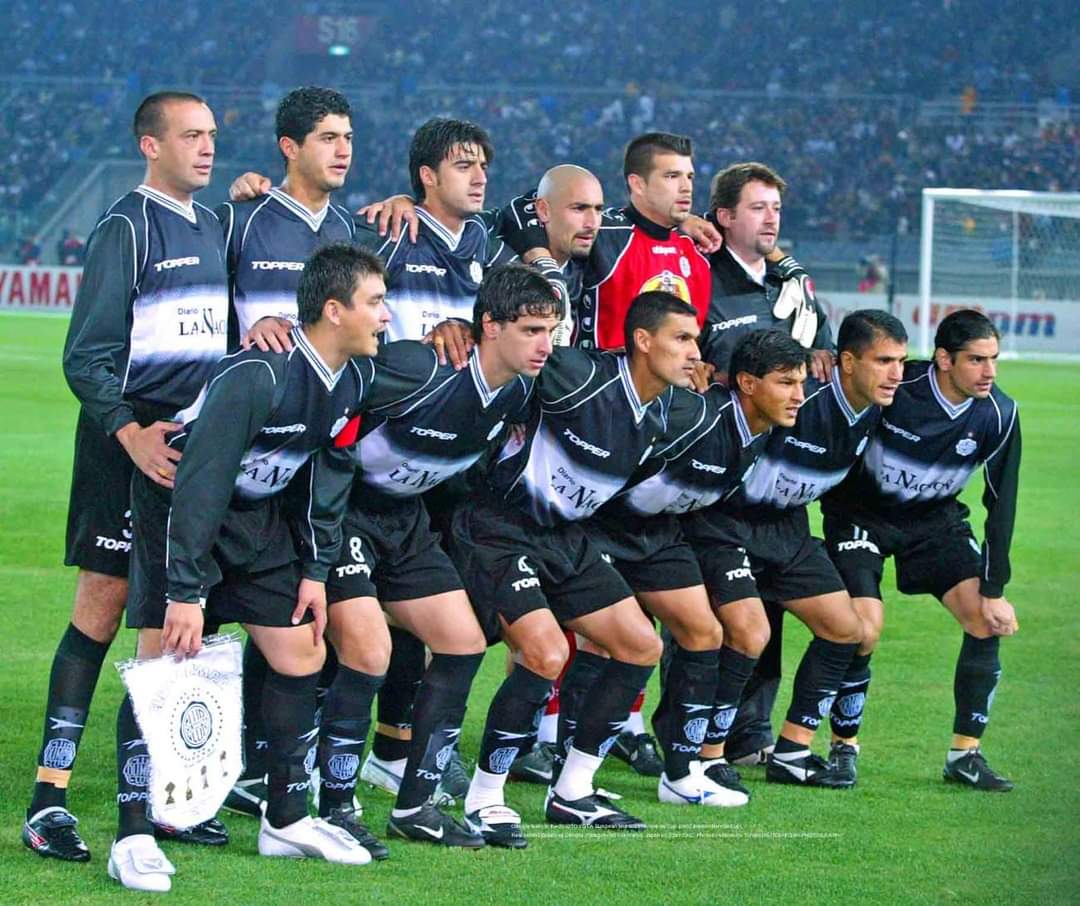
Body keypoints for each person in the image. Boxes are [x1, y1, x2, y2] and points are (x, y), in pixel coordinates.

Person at [109, 243, 390, 892]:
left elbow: (328, 475)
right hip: (181, 514)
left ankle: (286, 819)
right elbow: (200, 485)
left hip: (257, 524)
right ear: (333, 310)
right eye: (374, 302)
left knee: (300, 653)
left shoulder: (351, 379)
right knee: (164, 665)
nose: (385, 315)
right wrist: (185, 593)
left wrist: (316, 571)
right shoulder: (256, 376)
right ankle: (132, 835)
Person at [23, 91, 230, 863]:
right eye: (190, 135)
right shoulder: (126, 225)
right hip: (127, 444)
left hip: (190, 454)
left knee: (183, 623)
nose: (206, 148)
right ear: (150, 145)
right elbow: (86, 353)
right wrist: (129, 430)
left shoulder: (211, 224)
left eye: (212, 135)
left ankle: (170, 797)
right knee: (103, 609)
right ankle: (50, 801)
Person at [320, 264, 563, 849]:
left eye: (550, 330)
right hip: (345, 515)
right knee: (370, 650)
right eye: (530, 330)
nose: (544, 345)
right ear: (489, 326)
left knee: (462, 642)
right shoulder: (419, 367)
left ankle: (416, 805)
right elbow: (326, 384)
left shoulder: (522, 389)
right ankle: (335, 805)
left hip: (406, 525)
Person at [448, 291, 701, 844]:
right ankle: (484, 798)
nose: (693, 352)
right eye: (681, 339)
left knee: (641, 644)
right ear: (642, 340)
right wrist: (456, 330)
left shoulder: (664, 412)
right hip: (499, 527)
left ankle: (573, 793)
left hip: (566, 538)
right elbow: (510, 357)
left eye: (695, 340)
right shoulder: (580, 374)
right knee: (545, 652)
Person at [213, 86, 361, 824]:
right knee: (190, 634)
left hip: (299, 468)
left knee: (300, 626)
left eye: (348, 137)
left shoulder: (354, 232)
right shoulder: (241, 218)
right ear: (288, 147)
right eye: (328, 136)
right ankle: (189, 777)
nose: (343, 149)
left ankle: (266, 770)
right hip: (222, 456)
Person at [681, 309, 908, 787]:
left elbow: (946, 377)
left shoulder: (879, 405)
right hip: (727, 525)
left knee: (847, 629)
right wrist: (704, 373)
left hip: (787, 530)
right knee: (749, 634)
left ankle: (791, 752)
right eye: (884, 360)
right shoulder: (803, 394)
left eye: (901, 361)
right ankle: (707, 755)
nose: (896, 374)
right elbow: (746, 390)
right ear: (846, 362)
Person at [589, 329, 810, 803]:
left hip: (658, 536)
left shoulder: (759, 431)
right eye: (787, 383)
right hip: (597, 526)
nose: (799, 396)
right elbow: (618, 418)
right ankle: (556, 759)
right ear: (749, 384)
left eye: (802, 383)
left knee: (705, 633)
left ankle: (684, 770)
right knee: (591, 644)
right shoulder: (697, 415)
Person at [822, 309, 1020, 790]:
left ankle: (964, 755)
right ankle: (843, 747)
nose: (989, 372)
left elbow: (1002, 503)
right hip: (861, 516)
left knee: (983, 618)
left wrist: (993, 588)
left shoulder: (999, 413)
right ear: (943, 359)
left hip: (934, 521)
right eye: (976, 360)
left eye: (993, 359)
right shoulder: (896, 388)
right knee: (864, 631)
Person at [699, 161, 835, 767]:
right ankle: (691, 729)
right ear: (723, 217)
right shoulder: (700, 276)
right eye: (757, 207)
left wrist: (826, 349)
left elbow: (821, 347)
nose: (771, 217)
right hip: (717, 476)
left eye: (775, 207)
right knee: (718, 615)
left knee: (770, 611)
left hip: (778, 481)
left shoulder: (790, 283)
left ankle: (750, 733)